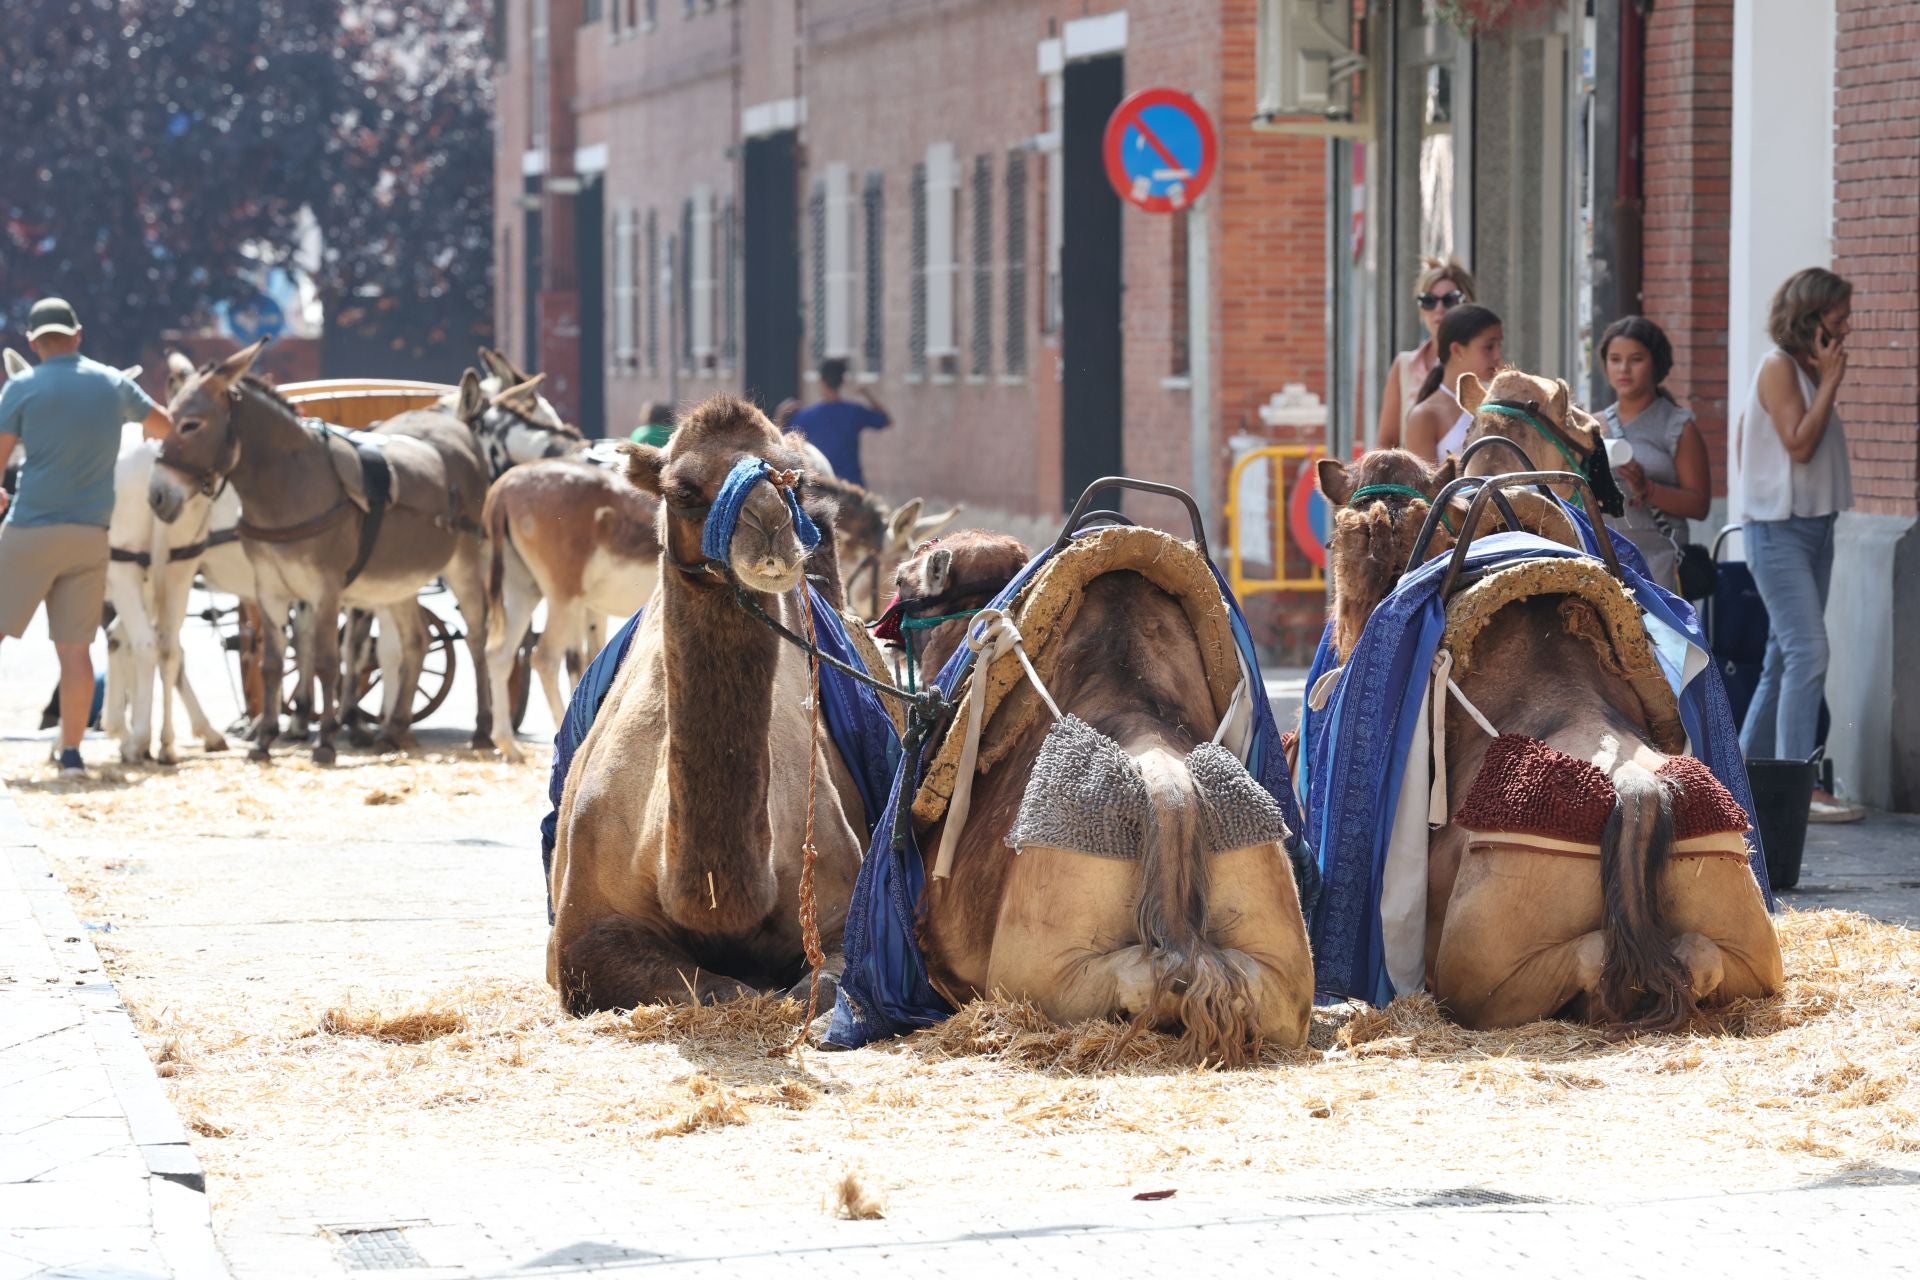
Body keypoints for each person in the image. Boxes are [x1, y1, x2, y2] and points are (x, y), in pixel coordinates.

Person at [0, 298, 171, 775]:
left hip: (30, 529)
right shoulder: (114, 384)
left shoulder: (21, 387)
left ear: (33, 343)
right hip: (91, 535)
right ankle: (72, 755)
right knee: (75, 651)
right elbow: (165, 429)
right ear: (78, 334)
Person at [1731, 267, 1860, 822]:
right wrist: (1832, 380)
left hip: (1813, 526)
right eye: (1838, 318)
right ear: (1812, 319)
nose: (1848, 326)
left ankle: (1738, 776)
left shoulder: (1802, 370)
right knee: (1808, 651)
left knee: (1784, 659)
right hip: (1779, 530)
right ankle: (1798, 787)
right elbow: (1799, 445)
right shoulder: (1780, 367)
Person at [1598, 316, 1711, 592]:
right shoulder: (1590, 424)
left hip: (1658, 565)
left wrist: (1646, 488)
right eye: (1615, 359)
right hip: (1602, 560)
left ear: (1656, 363)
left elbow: (1699, 505)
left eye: (1636, 359)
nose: (1624, 369)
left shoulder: (1678, 426)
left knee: (1659, 636)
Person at [1376, 258, 1478, 450]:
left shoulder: (1484, 363)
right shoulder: (1404, 365)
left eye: (1450, 299)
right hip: (1414, 477)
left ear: (1468, 304)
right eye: (1428, 301)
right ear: (1421, 310)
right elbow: (1387, 442)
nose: (1439, 309)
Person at [1404, 304, 1503, 464]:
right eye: (1489, 347)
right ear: (1457, 350)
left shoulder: (1499, 404)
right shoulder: (1424, 416)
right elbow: (1424, 487)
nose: (1498, 355)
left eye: (1499, 345)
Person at [788, 358, 889, 487]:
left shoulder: (806, 416)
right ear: (842, 382)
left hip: (823, 487)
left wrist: (780, 415)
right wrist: (867, 394)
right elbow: (885, 420)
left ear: (822, 381)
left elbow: (785, 443)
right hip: (852, 487)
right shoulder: (854, 412)